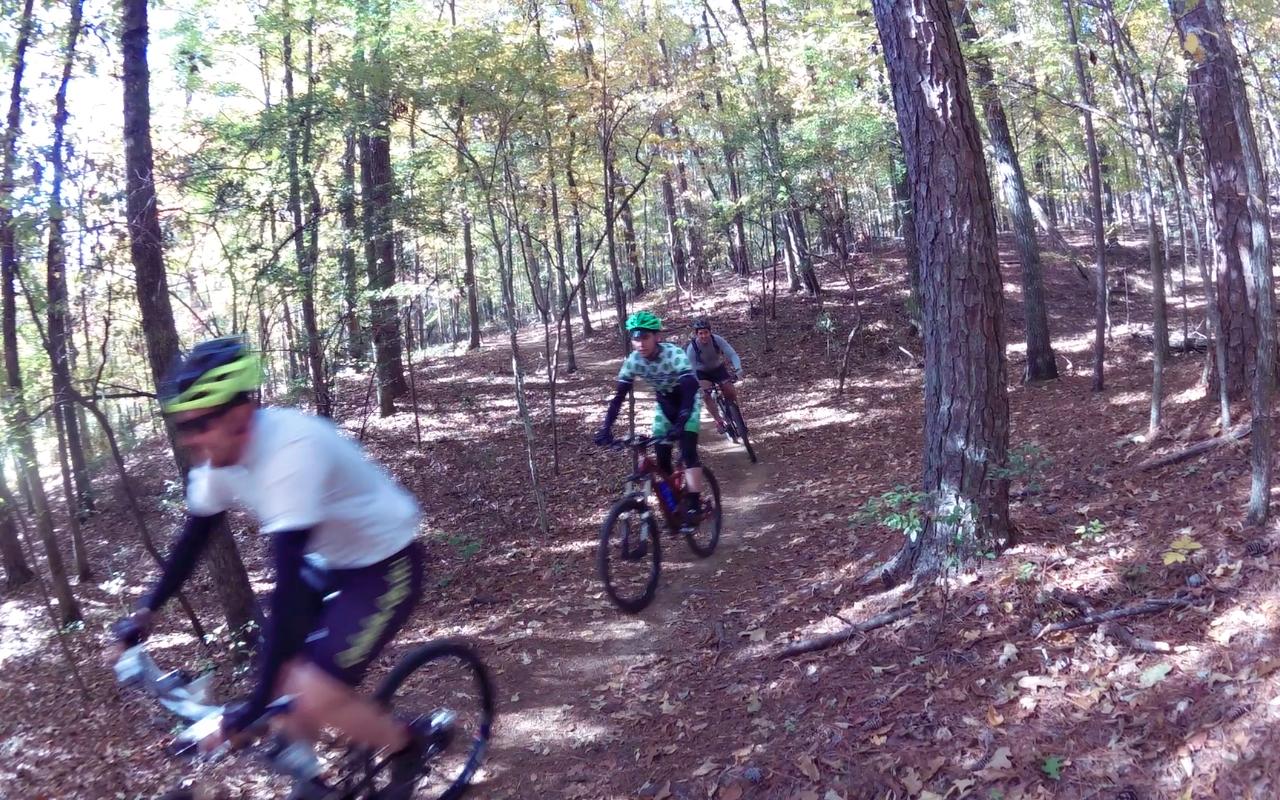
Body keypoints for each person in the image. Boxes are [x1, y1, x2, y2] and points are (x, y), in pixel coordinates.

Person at [110, 337, 431, 797]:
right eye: (184, 427)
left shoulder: (289, 451)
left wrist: (252, 709)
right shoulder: (218, 462)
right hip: (331, 557)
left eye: (199, 424)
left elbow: (291, 589)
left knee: (310, 691)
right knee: (281, 672)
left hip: (385, 561)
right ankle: (308, 774)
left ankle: (407, 745)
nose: (190, 439)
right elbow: (194, 538)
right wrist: (146, 613)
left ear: (239, 416)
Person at [594, 311, 705, 525]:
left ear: (657, 337)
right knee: (662, 461)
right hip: (664, 405)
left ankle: (694, 504)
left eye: (645, 337)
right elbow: (619, 397)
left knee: (688, 450)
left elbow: (690, 388)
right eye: (636, 338)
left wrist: (681, 422)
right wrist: (606, 428)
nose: (640, 343)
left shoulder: (673, 354)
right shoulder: (633, 361)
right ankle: (674, 506)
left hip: (687, 401)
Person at [685, 318, 743, 435]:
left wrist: (738, 369)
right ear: (696, 334)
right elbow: (691, 369)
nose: (704, 336)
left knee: (730, 390)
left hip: (718, 369)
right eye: (700, 333)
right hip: (702, 373)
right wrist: (698, 386)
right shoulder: (692, 348)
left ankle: (737, 415)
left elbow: (732, 354)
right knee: (706, 395)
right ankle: (719, 421)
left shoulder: (717, 340)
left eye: (706, 332)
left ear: (710, 332)